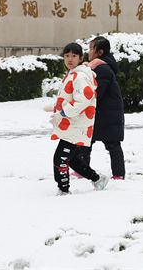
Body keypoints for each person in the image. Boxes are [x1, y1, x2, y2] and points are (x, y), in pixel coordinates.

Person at [44, 42, 109, 195]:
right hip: (72, 124)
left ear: (80, 58)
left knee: (60, 158)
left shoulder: (80, 76)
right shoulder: (73, 74)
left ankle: (64, 189)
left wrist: (65, 112)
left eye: (74, 56)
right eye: (67, 56)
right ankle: (98, 179)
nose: (70, 59)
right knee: (72, 159)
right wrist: (58, 108)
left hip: (76, 124)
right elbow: (70, 96)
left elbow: (84, 98)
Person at [80, 36, 126, 179]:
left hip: (107, 115)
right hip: (101, 113)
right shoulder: (98, 66)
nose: (89, 52)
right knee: (86, 142)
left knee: (112, 144)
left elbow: (96, 92)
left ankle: (118, 175)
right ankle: (82, 170)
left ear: (100, 52)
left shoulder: (102, 69)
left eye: (91, 49)